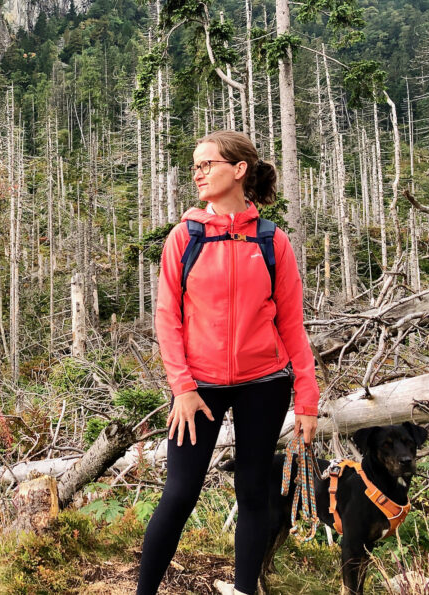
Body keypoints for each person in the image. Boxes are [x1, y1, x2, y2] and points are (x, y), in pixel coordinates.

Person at [135, 130, 319, 595]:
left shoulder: (272, 240)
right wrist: (182, 387)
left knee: (254, 492)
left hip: (266, 383)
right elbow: (166, 320)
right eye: (194, 165)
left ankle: (242, 590)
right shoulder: (185, 237)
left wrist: (308, 402)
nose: (197, 172)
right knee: (179, 494)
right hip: (200, 387)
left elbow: (293, 326)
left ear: (238, 170)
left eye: (207, 164)